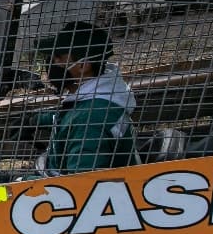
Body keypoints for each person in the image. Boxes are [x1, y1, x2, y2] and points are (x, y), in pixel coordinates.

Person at [30, 20, 138, 176]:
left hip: (56, 193)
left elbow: (80, 188)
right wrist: (35, 120)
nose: (52, 63)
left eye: (58, 56)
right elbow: (72, 118)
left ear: (83, 66)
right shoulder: (98, 97)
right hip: (51, 182)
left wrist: (23, 179)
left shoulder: (90, 121)